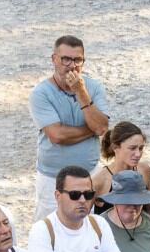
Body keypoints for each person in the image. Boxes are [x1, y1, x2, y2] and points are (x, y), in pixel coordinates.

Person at [30, 35, 110, 204]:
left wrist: (81, 92)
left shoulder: (93, 87)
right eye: (66, 59)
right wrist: (91, 129)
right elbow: (57, 135)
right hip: (53, 179)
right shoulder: (41, 93)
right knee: (50, 226)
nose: (72, 66)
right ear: (54, 59)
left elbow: (102, 128)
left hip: (90, 174)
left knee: (90, 225)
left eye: (78, 60)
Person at [93, 120, 150, 201]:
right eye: (132, 148)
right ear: (115, 147)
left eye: (140, 148)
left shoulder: (143, 169)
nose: (138, 154)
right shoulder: (100, 180)